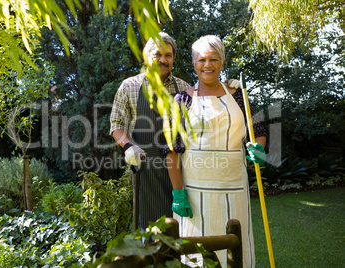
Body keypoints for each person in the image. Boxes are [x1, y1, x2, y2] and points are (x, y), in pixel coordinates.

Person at [165, 35, 267, 267]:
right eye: (201, 60)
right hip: (195, 194)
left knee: (236, 248)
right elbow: (172, 150)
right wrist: (178, 193)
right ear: (194, 64)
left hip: (235, 191)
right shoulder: (182, 100)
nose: (207, 65)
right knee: (197, 255)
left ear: (222, 63)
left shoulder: (239, 96)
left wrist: (257, 148)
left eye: (214, 59)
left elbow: (257, 130)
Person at [110, 32, 191, 229]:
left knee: (182, 230)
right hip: (145, 169)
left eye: (168, 56)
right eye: (158, 55)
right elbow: (116, 125)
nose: (163, 60)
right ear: (147, 56)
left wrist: (229, 91)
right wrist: (129, 146)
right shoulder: (129, 86)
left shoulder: (184, 88)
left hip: (181, 167)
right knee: (148, 229)